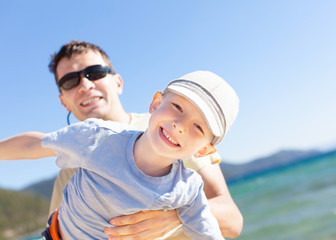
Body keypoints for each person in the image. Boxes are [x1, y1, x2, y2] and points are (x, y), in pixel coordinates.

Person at [0, 70, 239, 240]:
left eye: (198, 127)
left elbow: (207, 232)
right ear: (156, 103)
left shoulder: (188, 188)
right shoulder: (99, 138)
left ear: (204, 150)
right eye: (177, 107)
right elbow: (35, 144)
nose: (180, 125)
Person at [49, 41, 243, 239]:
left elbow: (233, 220)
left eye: (95, 73)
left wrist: (177, 215)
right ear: (63, 101)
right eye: (70, 81)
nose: (85, 85)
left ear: (118, 82)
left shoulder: (169, 130)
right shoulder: (68, 174)